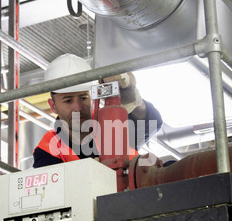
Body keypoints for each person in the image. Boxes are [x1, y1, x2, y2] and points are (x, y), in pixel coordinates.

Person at [32, 54, 163, 168]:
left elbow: (151, 123)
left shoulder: (109, 120)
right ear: (53, 106)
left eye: (83, 98)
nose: (77, 107)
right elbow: (58, 192)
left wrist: (134, 100)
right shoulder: (47, 150)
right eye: (68, 101)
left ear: (92, 96)